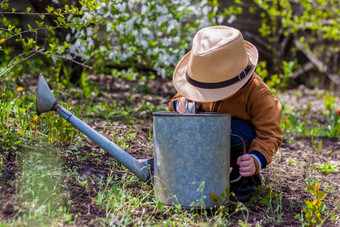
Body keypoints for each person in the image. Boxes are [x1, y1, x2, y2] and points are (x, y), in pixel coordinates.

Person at [168, 25, 282, 202]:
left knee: (236, 131)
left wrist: (255, 159)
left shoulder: (258, 95)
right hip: (201, 144)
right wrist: (179, 105)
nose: (205, 95)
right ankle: (192, 174)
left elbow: (270, 134)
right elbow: (175, 102)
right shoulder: (202, 78)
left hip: (238, 147)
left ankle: (243, 181)